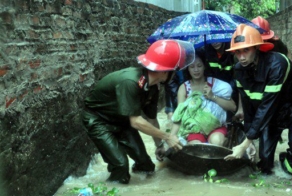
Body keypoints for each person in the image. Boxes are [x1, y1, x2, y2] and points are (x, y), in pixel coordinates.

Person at [82, 39, 195, 184]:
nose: (175, 76)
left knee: (146, 166)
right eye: (174, 71)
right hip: (99, 120)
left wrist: (159, 145)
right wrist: (167, 137)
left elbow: (151, 120)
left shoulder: (153, 87)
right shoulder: (130, 82)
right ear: (165, 72)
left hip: (122, 120)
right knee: (121, 166)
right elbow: (136, 122)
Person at [224, 24, 292, 176]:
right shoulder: (239, 71)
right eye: (238, 52)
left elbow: (266, 106)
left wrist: (245, 144)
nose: (242, 57)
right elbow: (250, 109)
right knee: (264, 163)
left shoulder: (277, 64)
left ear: (257, 48)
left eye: (246, 50)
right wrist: (248, 139)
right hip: (272, 114)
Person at [170, 52, 236, 146]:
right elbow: (178, 115)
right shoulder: (184, 88)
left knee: (217, 142)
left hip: (216, 126)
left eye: (199, 65)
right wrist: (171, 136)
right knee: (196, 147)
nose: (196, 70)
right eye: (192, 67)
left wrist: (213, 96)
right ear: (187, 69)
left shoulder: (216, 84)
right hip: (194, 129)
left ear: (204, 66)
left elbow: (233, 107)